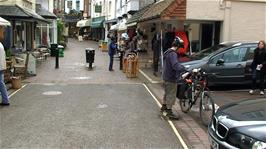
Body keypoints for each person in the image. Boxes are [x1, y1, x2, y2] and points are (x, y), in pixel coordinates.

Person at [161, 36, 185, 120]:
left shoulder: (167, 52)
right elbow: (175, 65)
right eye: (180, 47)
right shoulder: (173, 54)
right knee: (171, 94)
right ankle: (169, 112)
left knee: (166, 93)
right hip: (171, 78)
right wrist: (183, 68)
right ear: (178, 46)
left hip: (165, 76)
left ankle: (163, 107)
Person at [0, 39, 10, 106]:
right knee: (1, 83)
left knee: (1, 83)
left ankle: (5, 100)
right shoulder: (1, 45)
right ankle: (5, 100)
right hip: (1, 66)